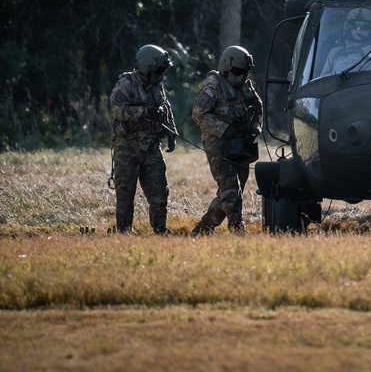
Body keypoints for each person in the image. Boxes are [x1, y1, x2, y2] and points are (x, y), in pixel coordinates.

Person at [191, 45, 264, 235]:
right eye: (239, 72)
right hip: (218, 144)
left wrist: (254, 129)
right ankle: (237, 228)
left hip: (241, 143)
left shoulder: (246, 87)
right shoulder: (212, 85)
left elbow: (258, 109)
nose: (242, 76)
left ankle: (202, 230)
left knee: (231, 193)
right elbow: (199, 115)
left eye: (245, 72)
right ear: (226, 67)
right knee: (231, 189)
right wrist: (224, 130)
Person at [108, 44, 178, 234]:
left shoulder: (157, 86)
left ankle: (160, 229)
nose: (162, 73)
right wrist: (145, 112)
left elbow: (166, 108)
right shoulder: (126, 84)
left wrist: (171, 132)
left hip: (152, 147)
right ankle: (124, 232)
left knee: (159, 192)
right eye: (160, 69)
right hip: (127, 147)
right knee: (125, 193)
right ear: (148, 65)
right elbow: (117, 110)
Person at [320, 8, 371, 75]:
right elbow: (324, 80)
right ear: (347, 27)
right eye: (353, 25)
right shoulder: (335, 52)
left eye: (365, 26)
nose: (358, 30)